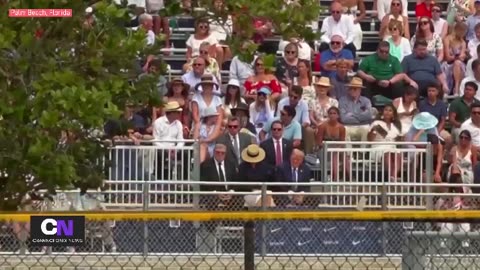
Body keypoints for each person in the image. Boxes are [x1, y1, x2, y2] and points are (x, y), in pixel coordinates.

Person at [199, 143, 241, 210]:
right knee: (211, 200)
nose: (220, 154)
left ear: (225, 153)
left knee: (239, 200)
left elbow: (235, 181)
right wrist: (216, 193)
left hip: (229, 195)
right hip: (213, 195)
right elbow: (203, 185)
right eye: (218, 152)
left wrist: (231, 192)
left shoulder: (231, 165)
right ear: (214, 152)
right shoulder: (205, 166)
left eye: (222, 153)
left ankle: (234, 219)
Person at [367, 104, 403, 181]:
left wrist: (401, 138)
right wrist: (373, 131)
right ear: (383, 112)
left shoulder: (396, 126)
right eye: (386, 110)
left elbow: (398, 140)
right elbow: (370, 140)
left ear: (393, 114)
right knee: (388, 154)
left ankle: (393, 177)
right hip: (378, 147)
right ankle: (392, 177)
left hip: (392, 147)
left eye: (390, 110)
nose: (387, 112)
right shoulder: (377, 123)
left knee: (398, 154)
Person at [339, 77, 374, 141]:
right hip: (348, 126)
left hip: (362, 125)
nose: (352, 90)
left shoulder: (366, 101)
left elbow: (368, 115)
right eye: (350, 88)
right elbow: (343, 118)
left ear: (360, 90)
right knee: (344, 129)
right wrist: (361, 117)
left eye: (355, 89)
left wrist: (352, 114)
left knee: (366, 129)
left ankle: (363, 151)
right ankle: (348, 151)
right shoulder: (342, 100)